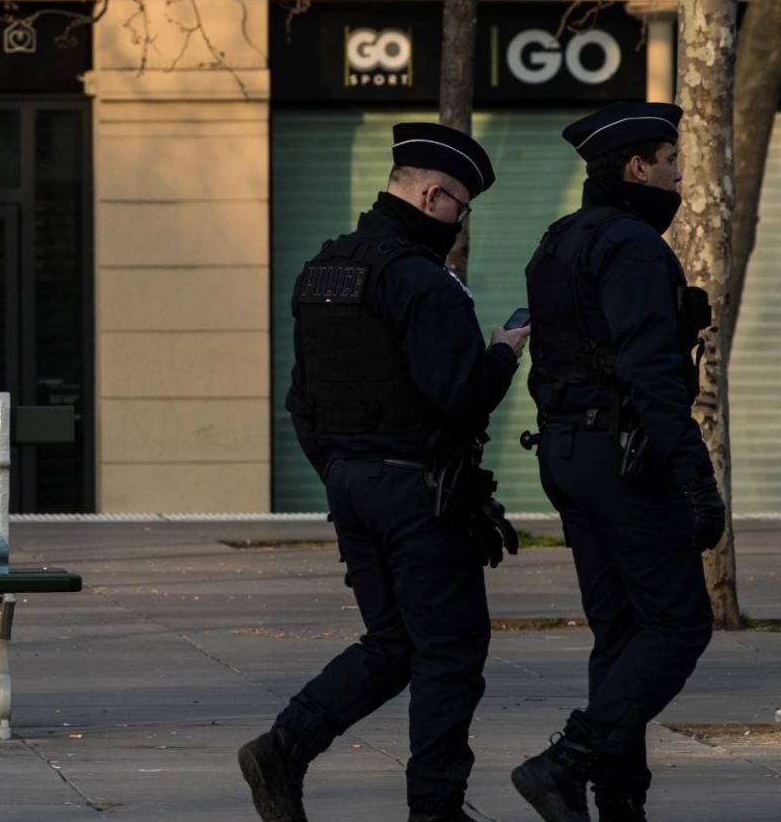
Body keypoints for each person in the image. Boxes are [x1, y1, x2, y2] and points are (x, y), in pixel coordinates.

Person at [240, 123, 530, 822]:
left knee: (396, 641)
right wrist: (503, 352)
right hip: (416, 492)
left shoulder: (323, 270)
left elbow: (300, 398)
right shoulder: (423, 283)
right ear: (435, 197)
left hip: (352, 485)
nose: (458, 225)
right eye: (460, 209)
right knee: (451, 651)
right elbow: (457, 394)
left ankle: (285, 746)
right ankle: (435, 808)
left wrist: (342, 472)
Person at [511, 103, 719, 822]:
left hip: (571, 455)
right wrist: (697, 475)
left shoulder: (559, 240)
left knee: (622, 633)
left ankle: (616, 802)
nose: (679, 177)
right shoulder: (632, 246)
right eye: (670, 163)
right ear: (637, 167)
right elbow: (652, 375)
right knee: (680, 625)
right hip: (626, 462)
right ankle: (567, 760)